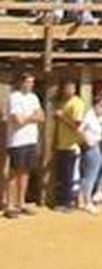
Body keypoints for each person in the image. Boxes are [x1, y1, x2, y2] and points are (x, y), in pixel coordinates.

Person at [5, 70, 44, 217]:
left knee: (26, 172)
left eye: (32, 82)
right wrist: (32, 117)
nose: (30, 85)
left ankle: (21, 202)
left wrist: (29, 118)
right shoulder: (14, 97)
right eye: (28, 82)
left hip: (31, 139)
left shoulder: (33, 97)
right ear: (21, 82)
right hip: (17, 140)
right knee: (15, 173)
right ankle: (10, 204)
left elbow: (42, 116)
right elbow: (18, 120)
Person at [50, 79, 86, 211]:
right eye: (66, 88)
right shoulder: (64, 102)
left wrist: (62, 118)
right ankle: (64, 201)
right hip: (62, 144)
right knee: (64, 175)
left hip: (72, 145)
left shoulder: (77, 104)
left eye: (70, 88)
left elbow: (77, 125)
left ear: (75, 89)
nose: (68, 90)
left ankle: (69, 203)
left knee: (69, 175)